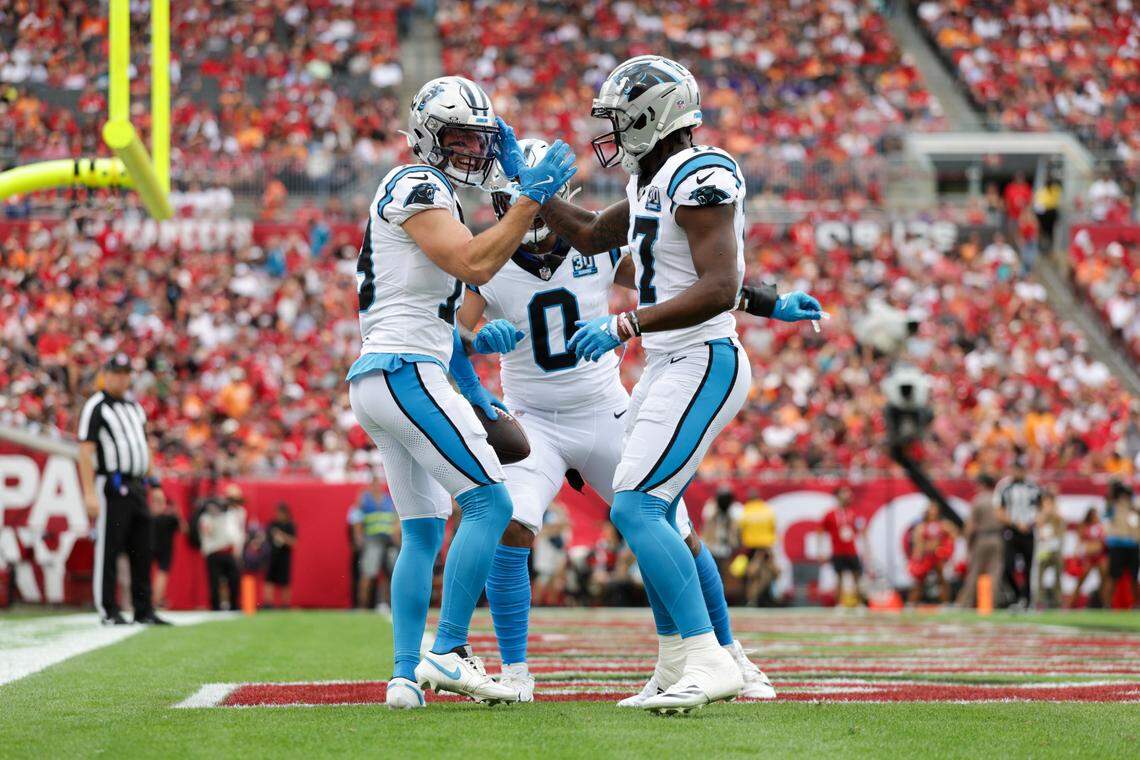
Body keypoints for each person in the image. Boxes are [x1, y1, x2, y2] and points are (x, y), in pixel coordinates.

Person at [538, 55, 822, 713]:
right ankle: (675, 663)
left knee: (638, 504)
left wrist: (624, 325)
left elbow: (716, 285)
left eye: (619, 119)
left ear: (651, 115)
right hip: (672, 361)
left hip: (703, 360)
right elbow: (587, 234)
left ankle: (709, 657)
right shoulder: (651, 182)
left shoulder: (701, 171)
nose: (610, 133)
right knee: (650, 511)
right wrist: (523, 192)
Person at [459, 139, 779, 702]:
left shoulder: (599, 248)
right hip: (534, 418)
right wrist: (478, 340)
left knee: (670, 523)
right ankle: (514, 673)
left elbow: (672, 280)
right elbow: (452, 339)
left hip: (605, 407)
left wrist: (764, 302)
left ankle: (732, 657)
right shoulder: (487, 263)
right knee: (511, 523)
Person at [344, 75, 577, 709]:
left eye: (481, 138)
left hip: (388, 373)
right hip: (404, 370)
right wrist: (527, 199)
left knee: (423, 533)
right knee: (491, 506)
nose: (474, 150)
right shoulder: (418, 184)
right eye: (460, 138)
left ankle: (401, 677)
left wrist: (472, 373)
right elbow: (474, 266)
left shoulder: (432, 190)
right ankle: (446, 650)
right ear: (426, 137)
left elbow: (434, 312)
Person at [77, 353, 169, 625]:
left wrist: (155, 483)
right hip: (113, 485)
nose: (121, 377)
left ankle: (144, 609)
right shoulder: (96, 406)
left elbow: (144, 447)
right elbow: (85, 451)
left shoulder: (134, 407)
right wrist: (89, 492)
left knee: (142, 549)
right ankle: (109, 609)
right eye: (116, 372)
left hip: (138, 484)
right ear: (106, 374)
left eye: (126, 372)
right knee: (110, 548)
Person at [997, 457, 1042, 609]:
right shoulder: (1004, 486)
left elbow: (1041, 509)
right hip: (1012, 530)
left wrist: (1033, 522)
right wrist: (1016, 524)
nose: (1018, 472)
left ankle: (1027, 600)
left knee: (1029, 568)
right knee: (1007, 566)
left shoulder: (1033, 487)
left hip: (1029, 530)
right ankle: (1017, 595)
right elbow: (999, 511)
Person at [957, 474, 1007, 608]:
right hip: (997, 537)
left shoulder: (978, 500)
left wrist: (968, 543)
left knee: (974, 571)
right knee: (995, 573)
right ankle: (991, 604)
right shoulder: (999, 499)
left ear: (983, 484)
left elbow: (970, 526)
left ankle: (966, 603)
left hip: (982, 538)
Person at [198, 486, 246, 611]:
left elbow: (236, 534)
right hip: (214, 552)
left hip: (229, 551)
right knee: (215, 582)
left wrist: (238, 550)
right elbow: (208, 532)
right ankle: (216, 607)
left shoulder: (234, 514)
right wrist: (215, 515)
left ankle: (234, 605)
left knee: (234, 580)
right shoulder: (207, 516)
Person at [818, 487, 866, 605]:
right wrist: (821, 551)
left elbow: (863, 533)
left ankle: (859, 603)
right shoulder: (830, 514)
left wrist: (866, 551)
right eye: (845, 493)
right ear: (838, 496)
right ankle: (839, 604)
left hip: (852, 551)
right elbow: (820, 532)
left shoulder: (855, 513)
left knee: (857, 578)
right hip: (837, 551)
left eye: (849, 493)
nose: (848, 496)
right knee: (839, 578)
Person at [355, 481, 398, 611]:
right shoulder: (364, 500)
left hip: (388, 541)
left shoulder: (388, 500)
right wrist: (359, 537)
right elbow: (356, 518)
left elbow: (395, 520)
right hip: (372, 540)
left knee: (390, 574)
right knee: (368, 573)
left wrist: (396, 539)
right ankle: (362, 606)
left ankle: (389, 605)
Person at [908, 501, 957, 605]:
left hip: (937, 557)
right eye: (931, 509)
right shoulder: (921, 526)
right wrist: (916, 559)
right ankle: (911, 604)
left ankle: (945, 603)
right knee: (919, 582)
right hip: (926, 557)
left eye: (935, 509)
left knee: (942, 580)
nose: (933, 512)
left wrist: (945, 547)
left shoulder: (943, 525)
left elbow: (953, 534)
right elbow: (918, 544)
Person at [738, 493, 779, 607]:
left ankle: (751, 600)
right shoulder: (768, 510)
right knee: (769, 573)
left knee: (752, 575)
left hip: (751, 546)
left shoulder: (745, 510)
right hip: (766, 546)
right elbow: (773, 527)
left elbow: (740, 528)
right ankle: (768, 598)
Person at [1103, 482, 1139, 609]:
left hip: (1133, 544)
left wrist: (1131, 496)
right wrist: (1115, 490)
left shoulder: (1134, 505)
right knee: (1113, 576)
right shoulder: (1112, 505)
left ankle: (1136, 604)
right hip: (1117, 543)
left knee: (1134, 577)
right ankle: (1107, 605)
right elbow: (1106, 510)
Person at [1067, 506, 1108, 608]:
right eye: (1094, 515)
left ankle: (1105, 604)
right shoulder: (1084, 527)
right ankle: (1070, 604)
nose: (1096, 517)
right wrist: (1075, 555)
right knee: (1080, 582)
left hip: (1100, 557)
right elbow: (1079, 542)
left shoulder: (1101, 527)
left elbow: (1103, 542)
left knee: (1105, 581)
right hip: (1089, 558)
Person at [150, 487, 183, 611]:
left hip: (150, 546)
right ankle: (156, 600)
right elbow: (184, 529)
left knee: (147, 574)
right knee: (162, 574)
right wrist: (177, 512)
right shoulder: (170, 517)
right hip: (165, 548)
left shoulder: (149, 516)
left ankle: (150, 599)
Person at [1033, 489, 1065, 609]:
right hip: (1044, 549)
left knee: (1058, 574)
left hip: (1055, 547)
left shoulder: (1057, 511)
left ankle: (1058, 600)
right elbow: (1038, 523)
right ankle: (1039, 600)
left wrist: (1052, 511)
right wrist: (1045, 512)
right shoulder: (1040, 512)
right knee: (1040, 574)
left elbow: (1060, 521)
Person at [265, 503, 297, 609]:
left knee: (285, 581)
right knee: (269, 580)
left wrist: (282, 535)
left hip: (284, 557)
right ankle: (268, 603)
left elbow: (294, 542)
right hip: (272, 556)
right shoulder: (272, 524)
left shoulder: (290, 525)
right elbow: (266, 538)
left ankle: (285, 604)